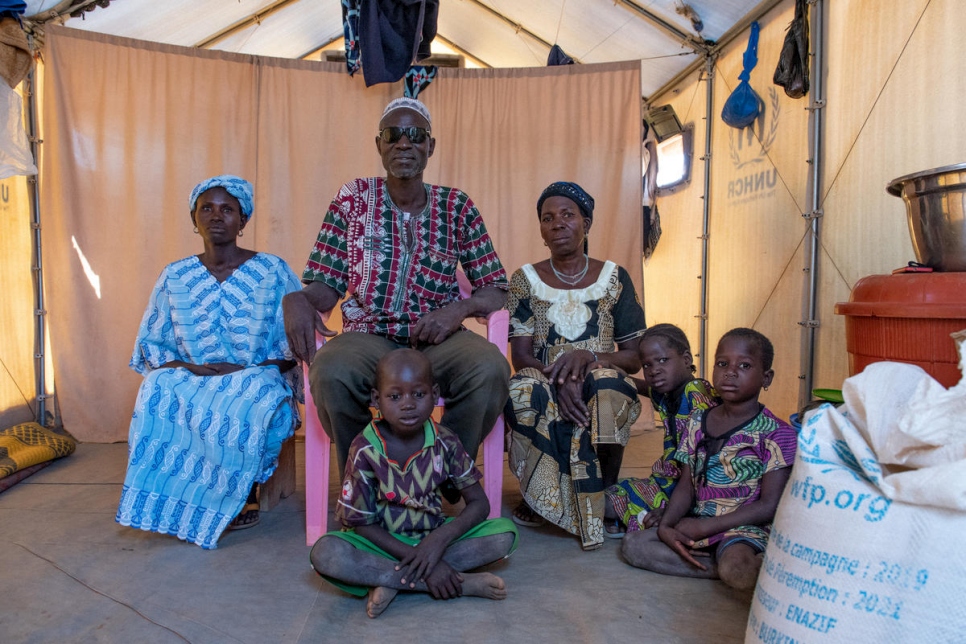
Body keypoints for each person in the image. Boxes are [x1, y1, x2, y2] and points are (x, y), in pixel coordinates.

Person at [283, 97, 509, 476]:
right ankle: (368, 479)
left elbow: (496, 289)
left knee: (490, 368)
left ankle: (442, 474)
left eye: (416, 135)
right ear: (379, 145)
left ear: (430, 146)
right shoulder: (352, 199)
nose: (404, 144)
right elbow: (326, 285)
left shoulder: (457, 206)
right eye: (393, 135)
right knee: (331, 371)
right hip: (370, 335)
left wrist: (457, 310)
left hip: (439, 341)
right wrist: (297, 298)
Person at [116, 175, 303, 549]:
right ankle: (175, 497)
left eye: (227, 209)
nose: (217, 216)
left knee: (252, 392)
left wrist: (249, 369)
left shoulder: (272, 271)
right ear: (194, 218)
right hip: (194, 377)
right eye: (207, 208)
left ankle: (240, 492)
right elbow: (153, 342)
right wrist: (191, 369)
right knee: (156, 386)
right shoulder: (175, 275)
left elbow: (292, 346)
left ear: (243, 220)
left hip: (255, 375)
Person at [309, 349, 518, 618]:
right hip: (382, 542)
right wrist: (426, 562)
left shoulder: (445, 440)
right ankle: (455, 582)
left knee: (504, 534)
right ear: (376, 399)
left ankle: (388, 579)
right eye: (395, 397)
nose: (407, 404)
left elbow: (479, 504)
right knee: (326, 553)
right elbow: (361, 525)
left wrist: (437, 542)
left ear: (433, 393)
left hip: (432, 537)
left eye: (418, 394)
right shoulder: (364, 448)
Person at [504, 181, 646, 550]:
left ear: (586, 223)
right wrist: (560, 378)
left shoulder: (615, 278)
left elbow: (633, 355)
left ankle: (607, 493)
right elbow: (520, 355)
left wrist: (590, 359)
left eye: (568, 215)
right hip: (545, 372)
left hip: (600, 372)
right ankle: (542, 493)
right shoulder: (524, 280)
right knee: (524, 388)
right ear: (541, 230)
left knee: (608, 385)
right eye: (548, 218)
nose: (557, 223)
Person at [620, 328, 797, 590]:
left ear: (766, 378)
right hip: (698, 522)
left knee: (736, 562)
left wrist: (706, 528)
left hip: (743, 529)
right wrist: (668, 526)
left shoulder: (777, 433)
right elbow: (686, 485)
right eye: (722, 364)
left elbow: (769, 505)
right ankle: (718, 568)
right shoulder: (698, 421)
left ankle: (732, 565)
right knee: (635, 545)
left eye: (745, 365)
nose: (730, 372)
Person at [605, 324, 719, 534]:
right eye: (647, 365)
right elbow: (643, 388)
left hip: (693, 488)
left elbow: (698, 466)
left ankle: (663, 519)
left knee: (606, 504)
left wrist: (671, 510)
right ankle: (640, 518)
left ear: (686, 359)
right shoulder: (671, 393)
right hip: (669, 482)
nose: (654, 370)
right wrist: (616, 374)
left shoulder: (696, 398)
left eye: (663, 360)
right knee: (610, 496)